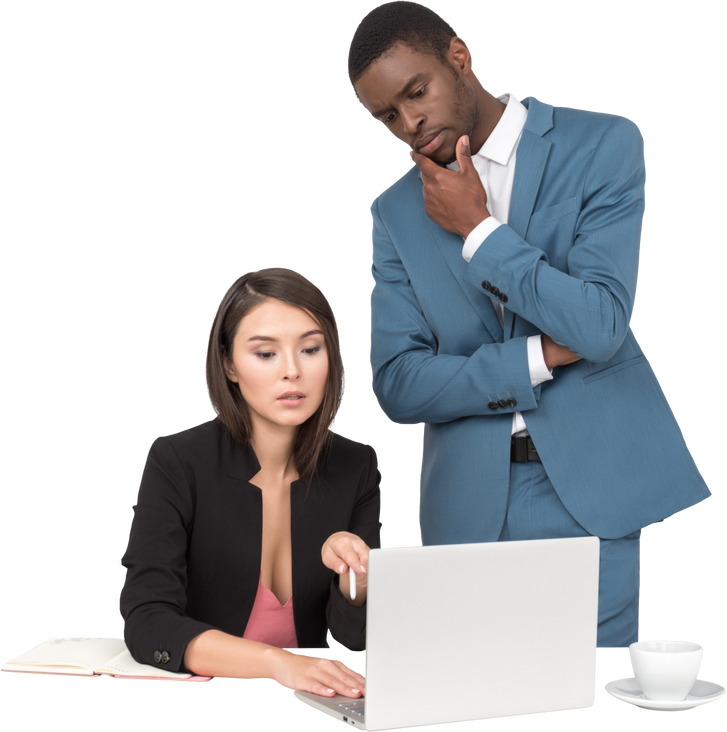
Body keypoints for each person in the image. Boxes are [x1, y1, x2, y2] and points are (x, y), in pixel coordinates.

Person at [345, 1, 711, 649]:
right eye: (386, 116)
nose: (408, 124)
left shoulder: (599, 146)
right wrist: (535, 358)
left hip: (590, 490)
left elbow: (598, 325)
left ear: (458, 57)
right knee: (466, 695)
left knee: (587, 698)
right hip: (468, 501)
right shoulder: (395, 213)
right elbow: (398, 383)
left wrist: (478, 231)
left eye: (415, 93)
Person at [119, 267, 379, 698]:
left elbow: (355, 639)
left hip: (314, 702)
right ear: (229, 365)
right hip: (201, 701)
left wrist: (360, 582)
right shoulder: (177, 460)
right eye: (265, 354)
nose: (292, 371)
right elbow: (147, 620)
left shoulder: (356, 466)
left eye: (310, 349)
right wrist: (277, 664)